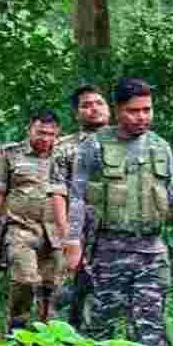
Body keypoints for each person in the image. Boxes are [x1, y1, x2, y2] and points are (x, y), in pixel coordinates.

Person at [51, 77, 173, 346]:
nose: (142, 117)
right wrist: (73, 241)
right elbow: (78, 196)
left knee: (151, 322)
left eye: (147, 110)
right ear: (118, 110)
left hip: (152, 249)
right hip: (109, 250)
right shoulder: (94, 146)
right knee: (101, 323)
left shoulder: (160, 147)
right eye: (134, 111)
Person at [0, 110, 62, 333]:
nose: (45, 138)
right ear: (29, 130)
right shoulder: (11, 155)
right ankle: (17, 329)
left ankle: (46, 336)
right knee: (25, 279)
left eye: (50, 134)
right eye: (40, 132)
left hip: (55, 232)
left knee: (51, 287)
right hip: (20, 228)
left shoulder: (63, 155)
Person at [52, 84, 111, 329]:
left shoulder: (126, 141)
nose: (94, 109)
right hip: (74, 229)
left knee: (105, 297)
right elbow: (57, 193)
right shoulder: (64, 147)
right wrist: (67, 236)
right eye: (86, 105)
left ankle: (103, 344)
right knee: (66, 296)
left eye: (99, 103)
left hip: (112, 232)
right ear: (76, 113)